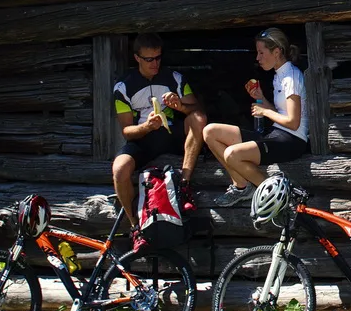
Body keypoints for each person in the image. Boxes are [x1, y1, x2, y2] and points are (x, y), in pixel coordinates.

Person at [204, 28, 311, 205]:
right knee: (210, 131)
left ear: (276, 52)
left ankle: (274, 195)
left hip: (293, 140)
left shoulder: (290, 77)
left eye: (261, 53)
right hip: (278, 133)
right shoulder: (279, 75)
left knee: (232, 154)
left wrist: (265, 111)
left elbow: (293, 122)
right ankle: (242, 186)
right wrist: (261, 98)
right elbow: (280, 113)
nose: (257, 58)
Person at [112, 33, 207, 226]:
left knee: (198, 118)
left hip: (172, 134)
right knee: (120, 169)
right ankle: (134, 226)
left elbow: (198, 112)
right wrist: (147, 126)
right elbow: (126, 131)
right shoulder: (123, 87)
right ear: (137, 58)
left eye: (158, 58)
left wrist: (180, 106)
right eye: (149, 59)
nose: (155, 63)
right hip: (143, 139)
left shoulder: (174, 78)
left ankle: (184, 185)